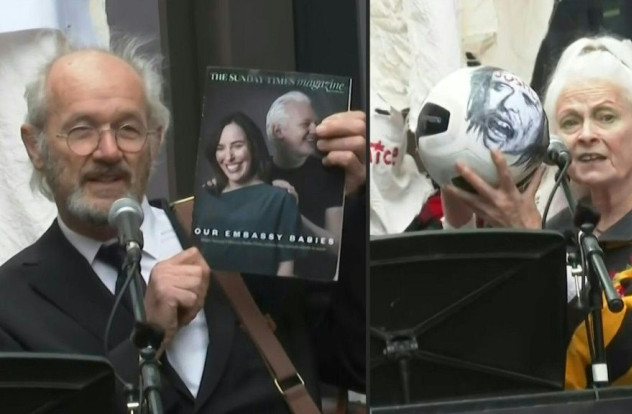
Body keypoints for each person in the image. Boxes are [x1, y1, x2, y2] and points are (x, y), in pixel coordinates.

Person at [0, 40, 366, 412]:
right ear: (36, 147)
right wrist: (148, 338)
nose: (109, 151)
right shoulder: (12, 303)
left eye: (128, 128)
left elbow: (358, 363)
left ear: (155, 140)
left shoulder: (238, 232)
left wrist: (348, 202)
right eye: (81, 130)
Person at [441, 35, 632, 389]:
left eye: (605, 117)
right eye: (569, 123)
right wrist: (458, 227)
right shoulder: (554, 229)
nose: (585, 135)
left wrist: (539, 250)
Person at [194, 111, 300, 277]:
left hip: (260, 299)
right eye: (220, 148)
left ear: (253, 147)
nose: (228, 157)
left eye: (237, 146)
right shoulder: (205, 196)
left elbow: (286, 269)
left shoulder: (280, 198)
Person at [266, 91, 345, 280]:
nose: (315, 130)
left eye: (315, 123)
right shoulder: (255, 174)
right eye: (305, 124)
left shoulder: (330, 172)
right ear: (278, 131)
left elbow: (337, 247)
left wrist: (293, 215)